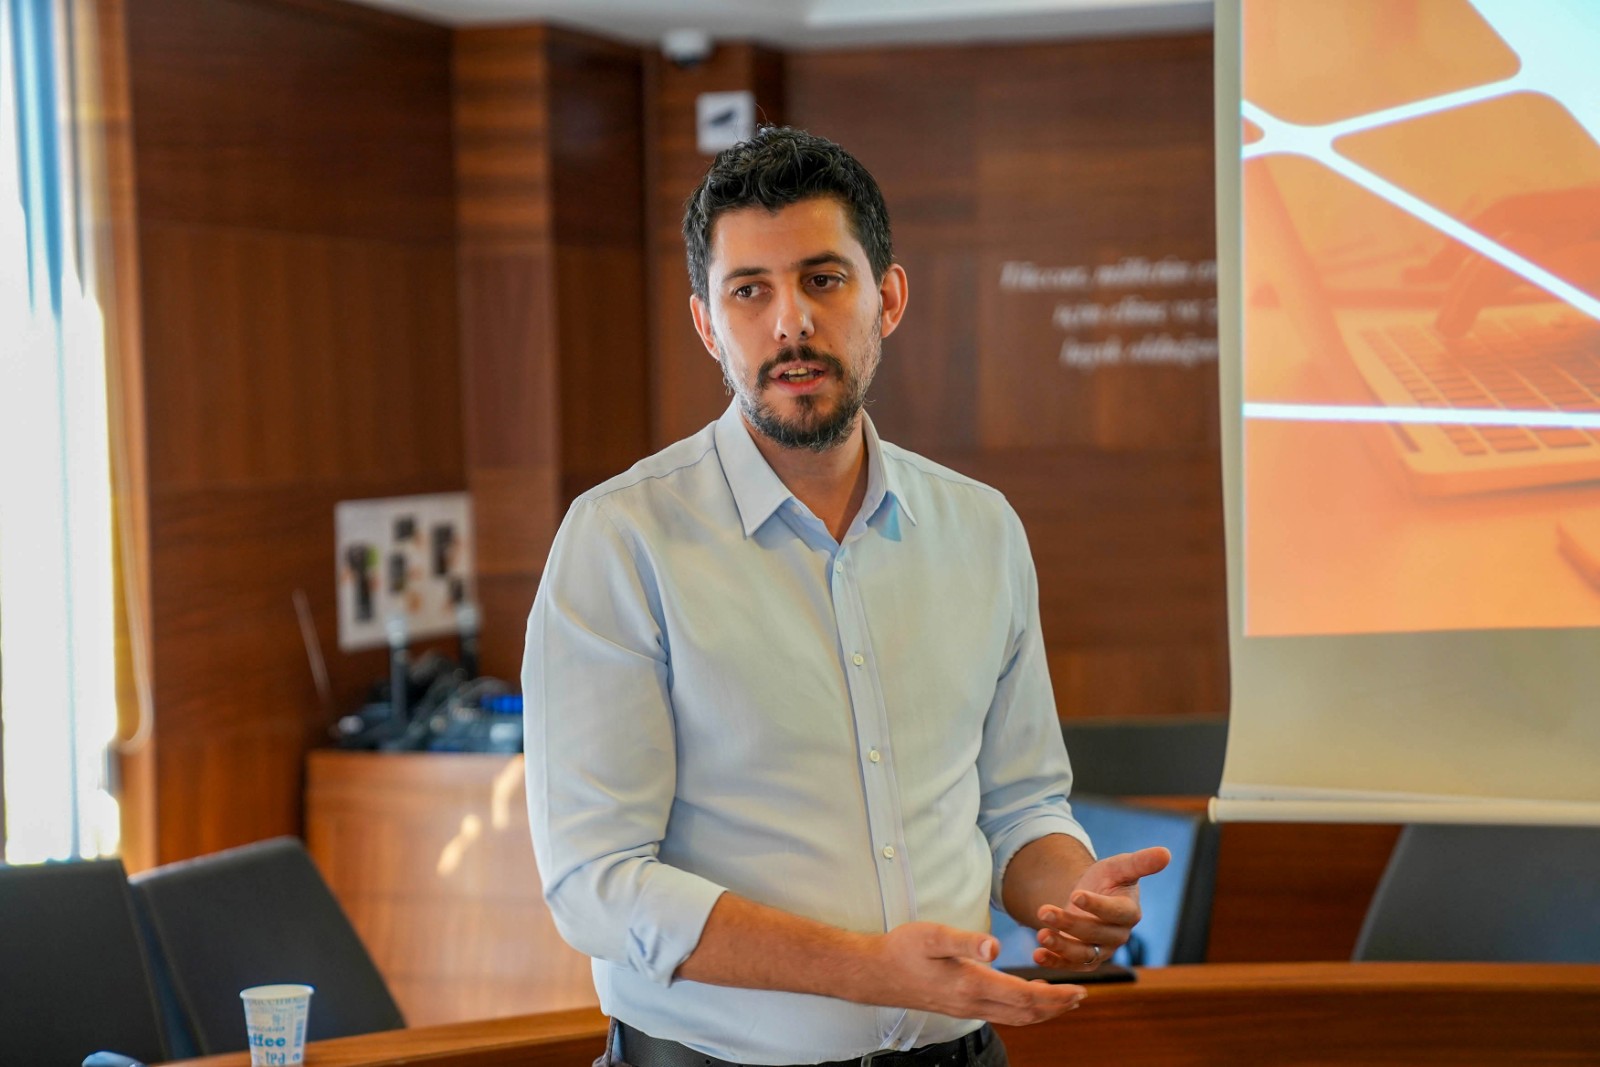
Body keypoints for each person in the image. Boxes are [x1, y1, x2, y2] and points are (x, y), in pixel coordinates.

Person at [523, 127, 1170, 1067]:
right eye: (750, 291)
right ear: (707, 323)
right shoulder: (620, 540)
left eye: (823, 279)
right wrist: (867, 969)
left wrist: (1070, 894)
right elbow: (597, 883)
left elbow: (1021, 806)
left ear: (888, 298)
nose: (790, 323)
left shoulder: (981, 528)